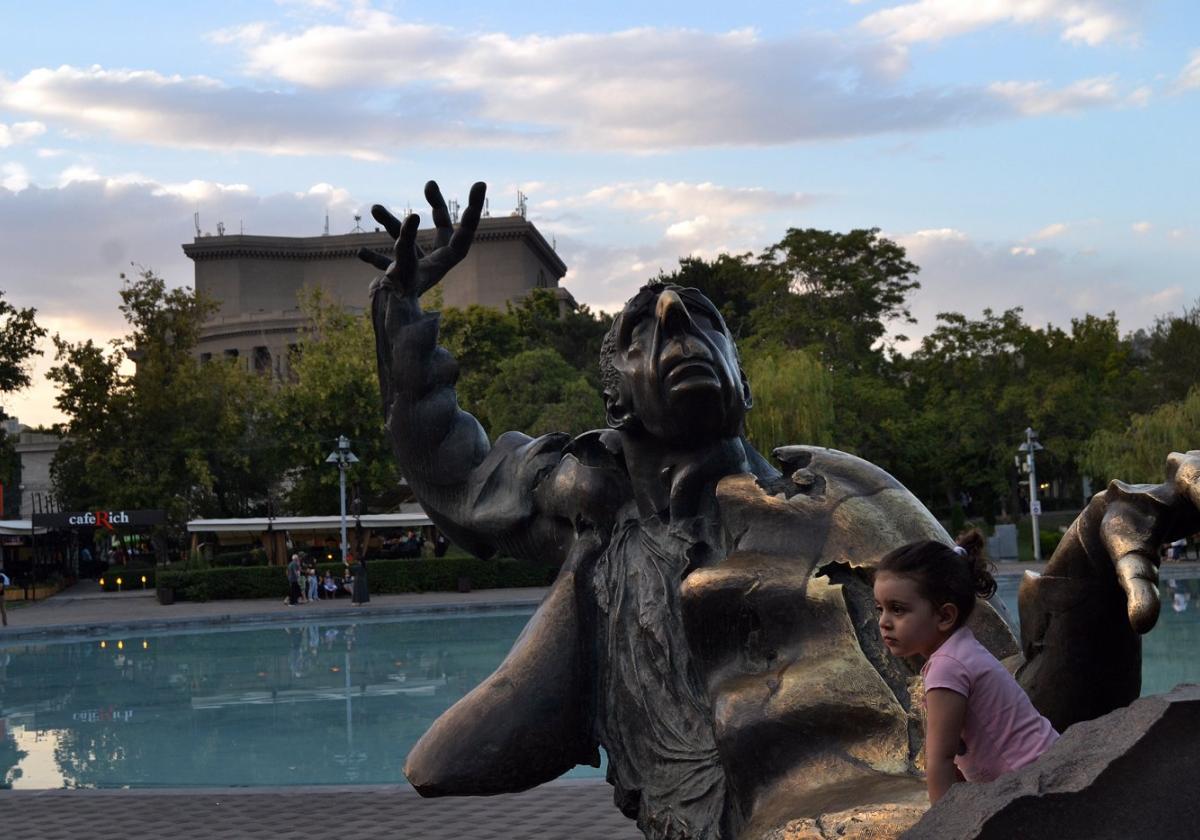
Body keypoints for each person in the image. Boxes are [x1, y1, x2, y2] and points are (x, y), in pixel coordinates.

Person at [874, 531, 1059, 803]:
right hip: (1046, 766)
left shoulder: (946, 667)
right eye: (880, 608)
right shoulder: (960, 650)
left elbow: (940, 760)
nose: (884, 622)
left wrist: (943, 825)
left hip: (1029, 787)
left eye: (898, 609)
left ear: (945, 616)